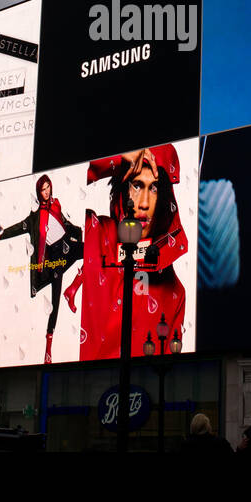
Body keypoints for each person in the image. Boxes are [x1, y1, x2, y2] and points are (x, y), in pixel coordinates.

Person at [64, 145, 188, 361]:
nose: (144, 203)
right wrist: (120, 157)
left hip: (137, 393)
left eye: (154, 188)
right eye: (137, 185)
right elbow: (65, 181)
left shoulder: (175, 292)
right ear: (123, 188)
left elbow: (167, 377)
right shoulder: (94, 230)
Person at [0, 175, 83, 363]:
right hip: (54, 258)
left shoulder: (56, 205)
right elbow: (20, 227)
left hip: (66, 245)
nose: (46, 192)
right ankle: (48, 349)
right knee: (55, 302)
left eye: (48, 187)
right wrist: (2, 235)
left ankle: (73, 288)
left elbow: (65, 224)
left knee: (91, 251)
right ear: (38, 192)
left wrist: (78, 230)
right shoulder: (35, 218)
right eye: (43, 189)